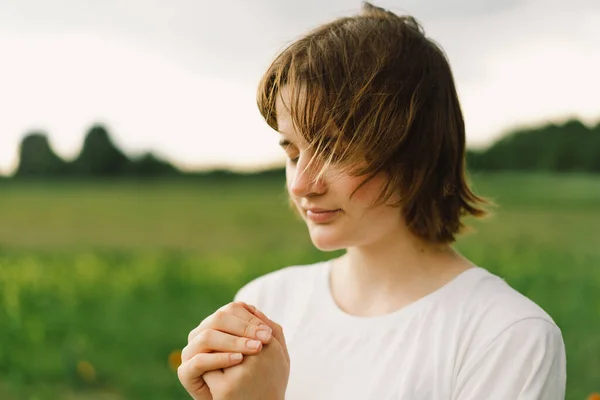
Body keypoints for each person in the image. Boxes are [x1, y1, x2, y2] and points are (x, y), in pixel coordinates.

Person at [177, 2, 567, 399]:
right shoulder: (263, 304)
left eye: (336, 151)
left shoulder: (508, 336)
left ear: (415, 154)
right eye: (293, 154)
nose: (301, 184)